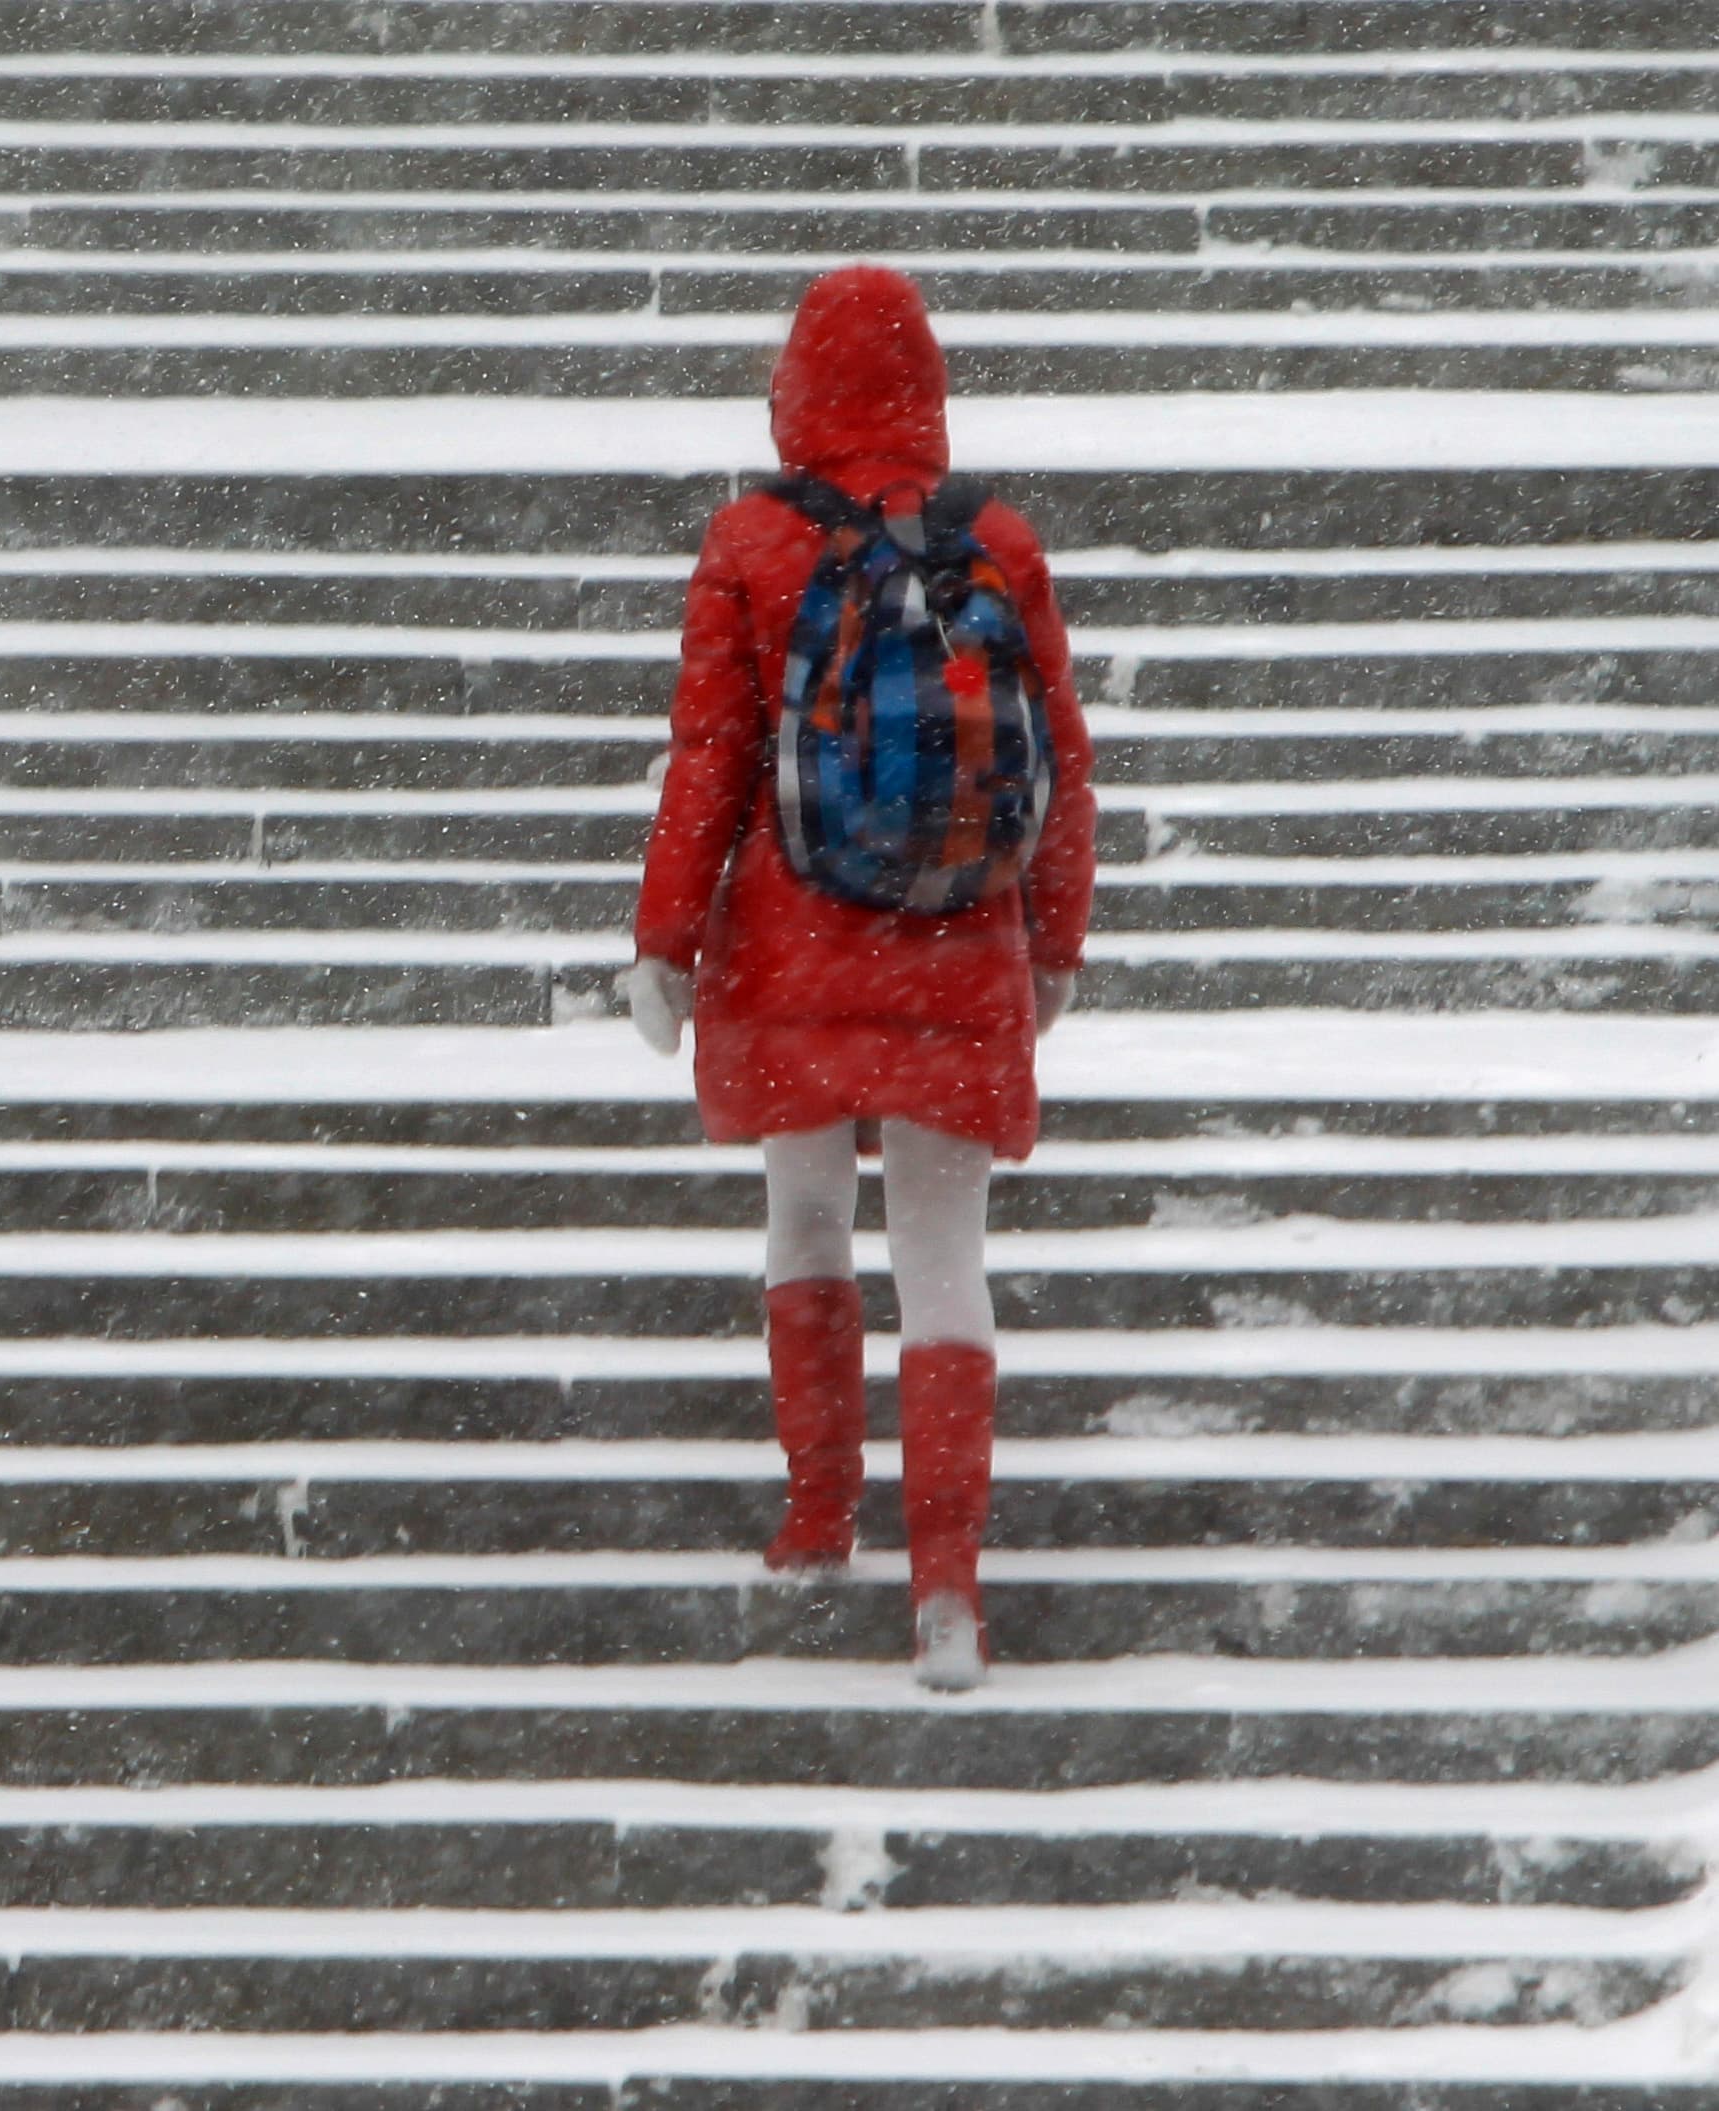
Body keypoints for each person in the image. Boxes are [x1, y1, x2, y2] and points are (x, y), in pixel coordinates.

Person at [618, 263, 1097, 1691]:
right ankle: (946, 1589)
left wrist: (663, 939)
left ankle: (817, 1519)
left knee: (807, 1221)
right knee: (944, 1267)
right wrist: (1053, 944)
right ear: (927, 387)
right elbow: (1059, 764)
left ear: (794, 387)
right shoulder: (994, 539)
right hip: (961, 943)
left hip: (790, 937)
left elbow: (709, 763)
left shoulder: (754, 541)